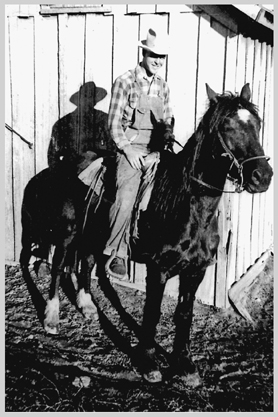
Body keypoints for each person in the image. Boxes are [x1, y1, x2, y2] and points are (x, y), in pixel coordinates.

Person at [104, 27, 174, 279]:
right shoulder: (125, 82)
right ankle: (117, 252)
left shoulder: (164, 87)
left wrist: (160, 150)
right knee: (126, 197)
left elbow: (166, 123)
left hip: (154, 152)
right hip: (129, 150)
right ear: (143, 52)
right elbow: (113, 124)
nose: (157, 60)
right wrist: (128, 151)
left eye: (162, 57)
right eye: (154, 54)